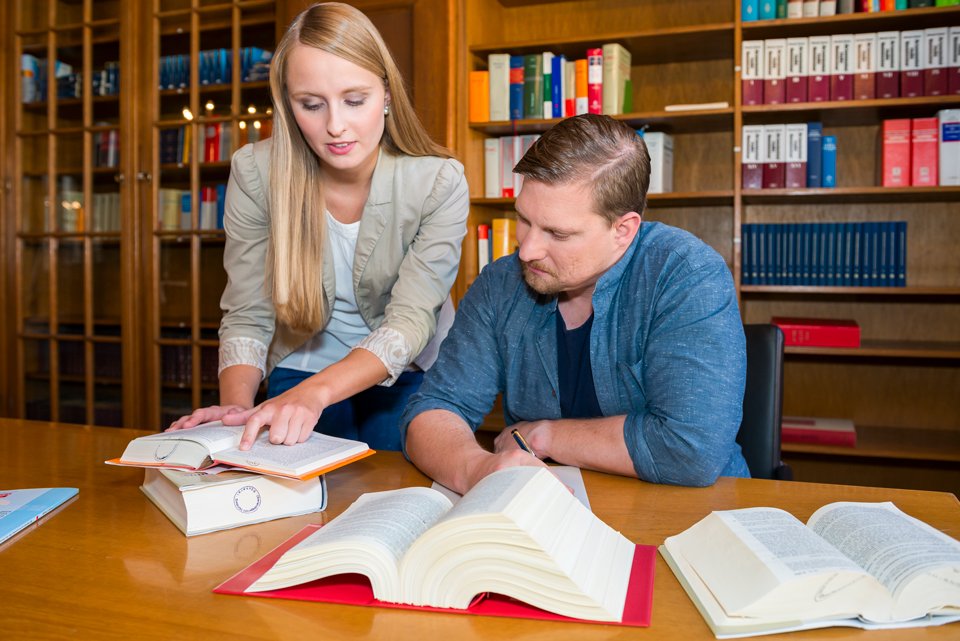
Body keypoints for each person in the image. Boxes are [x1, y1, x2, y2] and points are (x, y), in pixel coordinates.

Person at [168, 2, 468, 451]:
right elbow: (248, 313)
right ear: (288, 105)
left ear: (386, 94)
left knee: (398, 487)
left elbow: (408, 322)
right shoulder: (256, 172)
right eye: (311, 104)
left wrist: (314, 395)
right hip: (302, 361)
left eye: (354, 100)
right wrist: (236, 410)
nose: (335, 126)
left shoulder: (439, 180)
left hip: (411, 367)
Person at [401, 114, 749, 494]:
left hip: (687, 511)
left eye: (557, 233)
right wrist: (476, 469)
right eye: (523, 219)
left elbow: (692, 451)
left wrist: (545, 435)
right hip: (546, 512)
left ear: (623, 230)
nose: (528, 249)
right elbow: (432, 409)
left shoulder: (686, 275)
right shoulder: (501, 284)